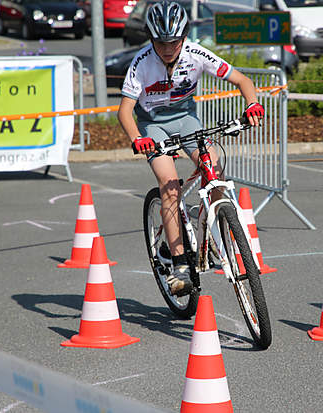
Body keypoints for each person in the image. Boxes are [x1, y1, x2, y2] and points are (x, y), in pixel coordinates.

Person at [117, 0, 265, 297]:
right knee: (169, 185)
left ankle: (211, 223)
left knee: (215, 167)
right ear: (151, 39)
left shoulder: (196, 53)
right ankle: (180, 265)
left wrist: (252, 103)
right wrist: (137, 138)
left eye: (174, 41)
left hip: (187, 120)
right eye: (161, 42)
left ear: (184, 36)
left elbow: (242, 80)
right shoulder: (142, 62)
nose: (168, 48)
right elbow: (124, 111)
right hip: (153, 126)